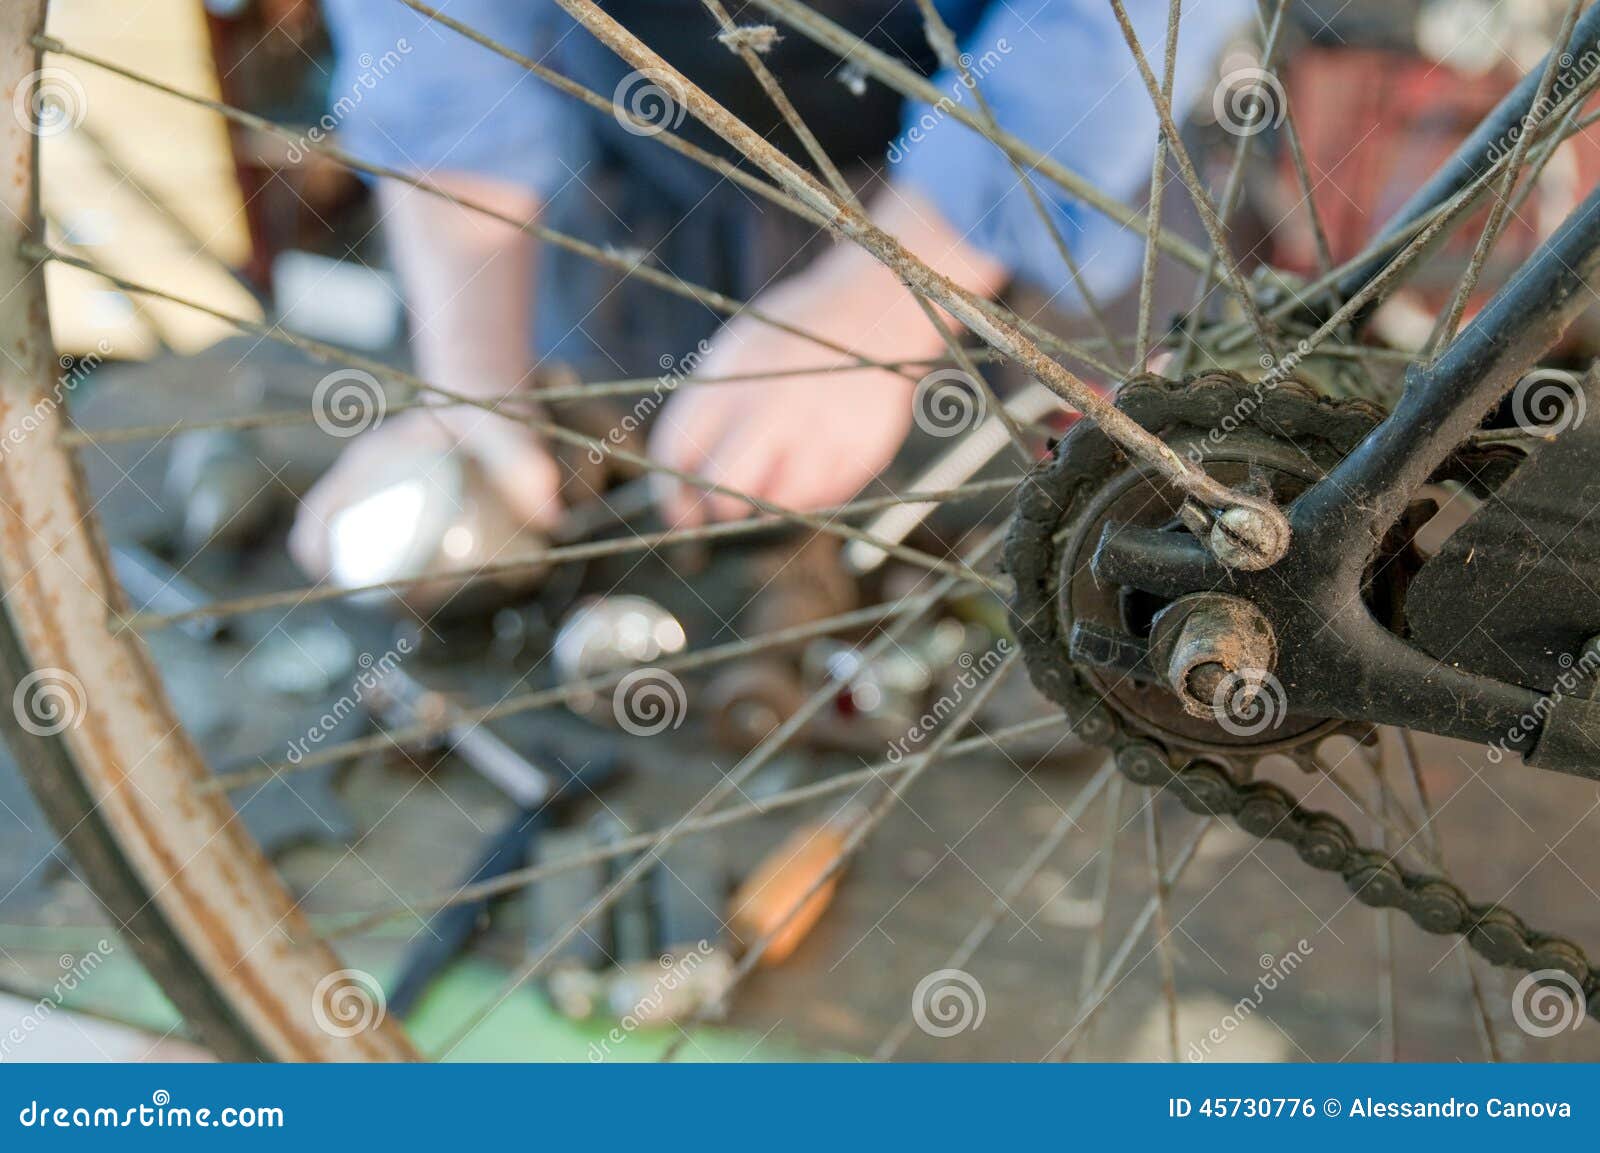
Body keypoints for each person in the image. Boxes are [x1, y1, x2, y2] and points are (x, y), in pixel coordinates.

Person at [291, 0, 1247, 576]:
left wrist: (888, 294)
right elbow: (441, 45)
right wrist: (473, 387)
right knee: (663, 585)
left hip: (1054, 191)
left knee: (1101, 601)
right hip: (655, 196)